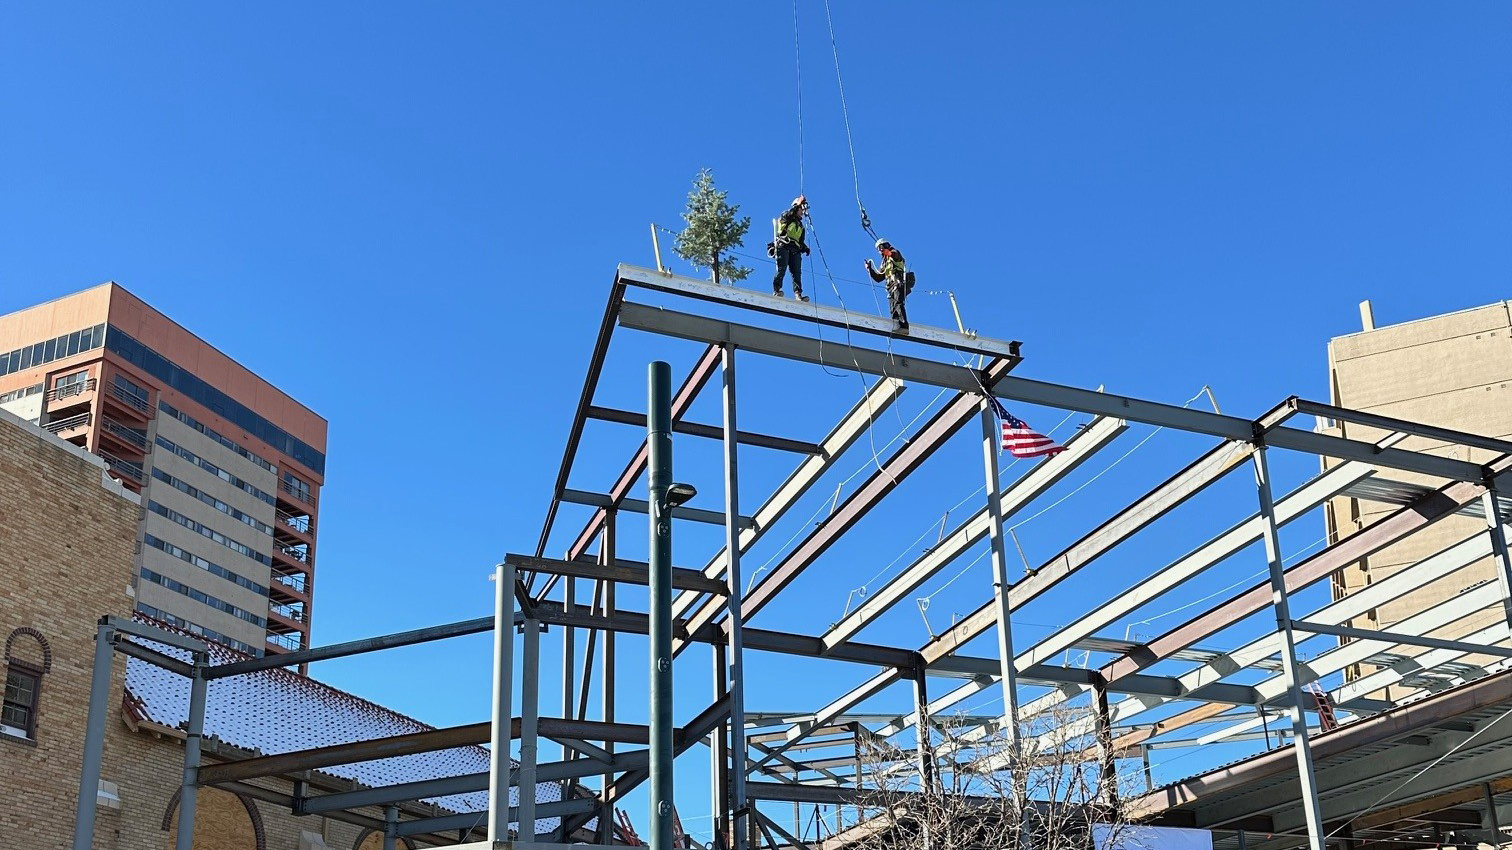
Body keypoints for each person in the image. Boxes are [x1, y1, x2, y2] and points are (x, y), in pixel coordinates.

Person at [770, 195, 810, 301]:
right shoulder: (786, 217)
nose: (803, 211)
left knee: (796, 272)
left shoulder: (801, 226)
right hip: (784, 246)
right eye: (801, 209)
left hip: (795, 250)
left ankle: (798, 294)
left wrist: (805, 248)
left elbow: (800, 241)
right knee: (781, 268)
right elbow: (789, 214)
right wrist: (798, 205)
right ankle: (777, 289)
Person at [865, 238, 911, 330]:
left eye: (881, 247)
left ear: (886, 245)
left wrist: (889, 253)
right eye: (879, 249)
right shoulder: (884, 263)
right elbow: (879, 278)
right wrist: (870, 269)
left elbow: (895, 255)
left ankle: (904, 326)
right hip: (890, 287)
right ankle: (896, 325)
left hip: (898, 283)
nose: (880, 250)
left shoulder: (894, 253)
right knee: (893, 310)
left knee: (898, 303)